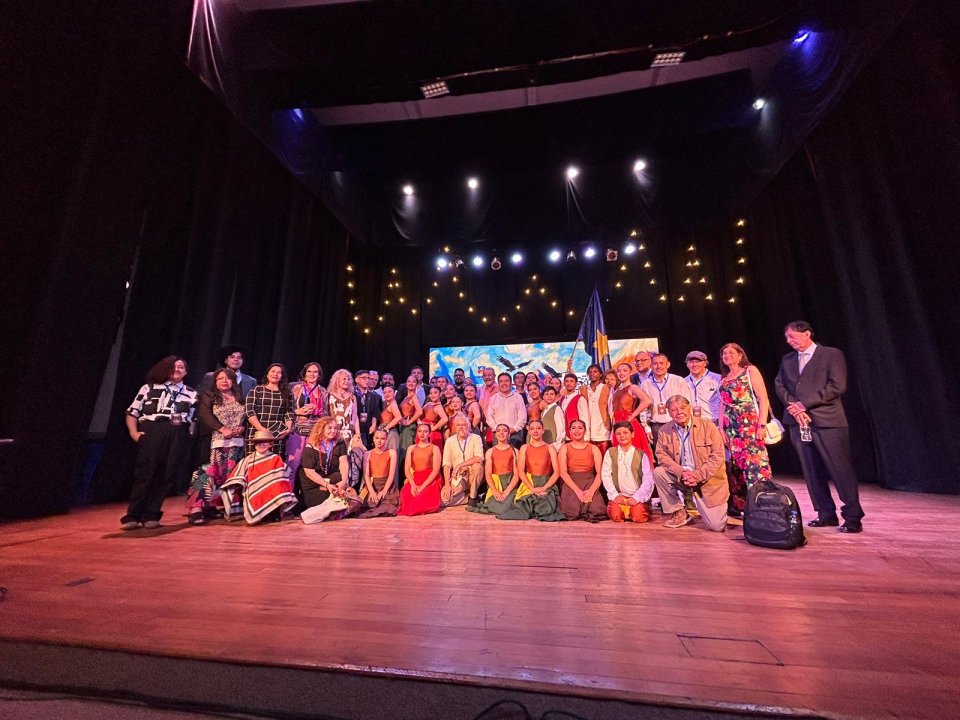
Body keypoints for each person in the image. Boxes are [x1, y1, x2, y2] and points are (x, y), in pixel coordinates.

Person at [774, 321, 864, 533]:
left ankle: (852, 516)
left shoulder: (831, 355)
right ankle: (825, 513)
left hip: (827, 421)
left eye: (792, 336)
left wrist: (804, 404)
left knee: (840, 469)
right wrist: (795, 408)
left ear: (807, 334)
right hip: (798, 422)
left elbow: (837, 386)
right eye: (787, 337)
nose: (789, 341)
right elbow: (779, 385)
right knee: (812, 471)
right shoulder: (787, 360)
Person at [121, 356, 198, 530]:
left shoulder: (191, 392)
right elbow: (132, 412)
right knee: (146, 472)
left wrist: (187, 438)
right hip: (153, 430)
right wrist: (134, 433)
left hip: (177, 433)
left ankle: (152, 514)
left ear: (186, 371)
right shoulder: (149, 388)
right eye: (174, 366)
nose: (177, 369)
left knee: (167, 474)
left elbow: (193, 419)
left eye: (181, 367)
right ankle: (133, 515)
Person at [653, 396, 729, 531]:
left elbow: (717, 456)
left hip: (706, 480)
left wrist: (697, 475)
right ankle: (680, 511)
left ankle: (702, 505)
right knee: (659, 472)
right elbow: (661, 455)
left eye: (682, 408)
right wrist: (681, 472)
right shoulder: (664, 430)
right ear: (669, 413)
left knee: (717, 526)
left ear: (690, 408)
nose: (679, 412)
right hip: (681, 476)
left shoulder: (709, 426)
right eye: (674, 410)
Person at [719, 343, 773, 517]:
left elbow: (763, 398)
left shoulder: (750, 370)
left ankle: (761, 504)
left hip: (749, 422)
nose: (727, 355)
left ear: (740, 355)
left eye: (731, 352)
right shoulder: (724, 377)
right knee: (737, 464)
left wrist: (761, 425)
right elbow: (722, 404)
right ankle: (742, 505)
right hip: (731, 426)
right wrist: (721, 428)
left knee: (754, 462)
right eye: (724, 353)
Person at [188, 368, 245, 524]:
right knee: (205, 472)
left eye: (228, 378)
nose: (224, 381)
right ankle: (196, 509)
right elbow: (204, 415)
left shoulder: (240, 397)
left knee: (228, 475)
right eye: (220, 378)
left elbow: (245, 417)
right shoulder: (208, 395)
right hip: (213, 441)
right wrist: (222, 429)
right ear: (215, 381)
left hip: (236, 444)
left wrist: (243, 427)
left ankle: (213, 506)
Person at [220, 430, 298, 525]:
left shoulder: (275, 457)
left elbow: (281, 475)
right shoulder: (248, 459)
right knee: (253, 490)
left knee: (277, 485)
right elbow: (237, 474)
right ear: (254, 444)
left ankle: (274, 512)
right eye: (258, 442)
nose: (262, 445)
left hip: (273, 488)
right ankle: (262, 514)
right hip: (253, 488)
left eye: (265, 442)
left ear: (270, 444)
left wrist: (270, 482)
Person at [499, 419, 565, 521]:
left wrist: (544, 488)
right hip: (529, 483)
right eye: (532, 429)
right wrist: (531, 488)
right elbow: (521, 471)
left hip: (546, 482)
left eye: (538, 428)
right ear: (529, 431)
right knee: (523, 507)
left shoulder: (550, 448)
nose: (535, 431)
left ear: (543, 430)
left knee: (546, 507)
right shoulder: (524, 448)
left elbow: (556, 472)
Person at [601, 421, 654, 523]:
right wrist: (615, 495)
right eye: (618, 433)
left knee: (638, 517)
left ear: (632, 434)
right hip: (620, 495)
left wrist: (637, 497)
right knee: (616, 516)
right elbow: (606, 475)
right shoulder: (610, 453)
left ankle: (638, 509)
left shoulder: (641, 454)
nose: (622, 436)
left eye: (625, 432)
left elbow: (648, 479)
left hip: (636, 496)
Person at [558, 419, 606, 521]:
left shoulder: (593, 448)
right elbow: (563, 473)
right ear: (570, 431)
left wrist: (591, 491)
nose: (577, 431)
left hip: (589, 481)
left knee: (596, 509)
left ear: (585, 430)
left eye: (580, 428)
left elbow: (600, 473)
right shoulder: (564, 448)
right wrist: (578, 491)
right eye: (573, 428)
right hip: (571, 482)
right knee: (571, 511)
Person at [286, 362, 328, 479]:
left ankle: (306, 491)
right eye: (309, 371)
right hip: (297, 431)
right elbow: (286, 408)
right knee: (292, 464)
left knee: (311, 465)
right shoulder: (296, 388)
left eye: (315, 372)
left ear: (319, 375)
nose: (312, 374)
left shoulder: (323, 391)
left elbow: (326, 413)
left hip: (314, 432)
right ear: (304, 374)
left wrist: (317, 410)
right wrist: (297, 411)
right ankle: (288, 489)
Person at [640, 354, 690, 450]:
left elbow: (687, 404)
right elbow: (644, 409)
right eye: (655, 364)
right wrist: (647, 428)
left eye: (661, 363)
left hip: (677, 423)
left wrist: (687, 424)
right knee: (660, 455)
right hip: (656, 426)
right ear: (651, 366)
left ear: (668, 364)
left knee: (681, 454)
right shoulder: (645, 384)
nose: (658, 366)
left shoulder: (678, 380)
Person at [470, 425, 521, 517]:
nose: (501, 433)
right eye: (499, 431)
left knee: (508, 506)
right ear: (495, 434)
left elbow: (516, 475)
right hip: (495, 483)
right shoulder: (490, 451)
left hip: (509, 484)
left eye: (504, 431)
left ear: (509, 434)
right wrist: (495, 490)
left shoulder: (515, 451)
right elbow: (488, 473)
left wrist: (507, 492)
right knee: (493, 505)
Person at [611, 363, 654, 467]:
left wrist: (632, 416)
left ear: (630, 372)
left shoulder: (632, 387)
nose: (621, 373)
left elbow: (646, 401)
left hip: (629, 425)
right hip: (618, 425)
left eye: (625, 370)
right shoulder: (616, 391)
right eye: (619, 371)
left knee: (634, 456)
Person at [244, 363, 293, 455]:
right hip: (257, 431)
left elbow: (289, 412)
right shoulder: (256, 390)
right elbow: (249, 411)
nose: (275, 374)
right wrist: (261, 429)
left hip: (277, 433)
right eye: (273, 371)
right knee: (255, 459)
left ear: (282, 376)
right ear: (267, 374)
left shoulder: (286, 393)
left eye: (279, 372)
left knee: (274, 460)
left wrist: (288, 429)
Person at [397, 422, 443, 516]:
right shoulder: (411, 448)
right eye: (420, 431)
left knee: (421, 499)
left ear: (429, 434)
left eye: (425, 431)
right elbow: (407, 469)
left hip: (430, 480)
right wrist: (413, 485)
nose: (422, 433)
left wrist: (422, 487)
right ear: (417, 433)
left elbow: (436, 470)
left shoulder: (434, 448)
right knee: (406, 495)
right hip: (416, 479)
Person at [441, 414, 485, 507]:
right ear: (454, 427)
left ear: (468, 426)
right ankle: (468, 497)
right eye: (458, 425)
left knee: (477, 466)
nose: (461, 427)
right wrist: (447, 484)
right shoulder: (449, 441)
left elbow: (479, 457)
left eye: (463, 425)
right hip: (459, 476)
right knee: (445, 499)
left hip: (473, 473)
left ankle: (473, 497)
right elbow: (446, 464)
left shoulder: (476, 438)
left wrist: (459, 465)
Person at [357, 428, 400, 518]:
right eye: (377, 438)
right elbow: (366, 475)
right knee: (365, 508)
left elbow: (391, 474)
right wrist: (372, 491)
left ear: (386, 439)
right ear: (373, 439)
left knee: (387, 507)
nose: (379, 441)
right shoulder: (368, 454)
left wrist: (384, 491)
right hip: (372, 485)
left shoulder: (391, 452)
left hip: (387, 486)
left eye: (382, 438)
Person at [485, 372, 527, 449]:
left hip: (515, 434)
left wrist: (514, 429)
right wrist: (497, 429)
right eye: (501, 381)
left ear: (511, 383)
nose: (504, 383)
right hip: (498, 434)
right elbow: (489, 417)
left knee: (515, 455)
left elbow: (522, 417)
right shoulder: (493, 398)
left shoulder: (518, 397)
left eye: (506, 381)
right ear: (498, 384)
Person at [580, 363, 611, 454]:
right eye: (590, 372)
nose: (592, 374)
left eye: (595, 371)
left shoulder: (606, 388)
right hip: (588, 428)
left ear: (600, 374)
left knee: (604, 455)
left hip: (603, 427)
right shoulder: (583, 390)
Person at [684, 351, 722, 424]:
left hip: (713, 421)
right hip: (692, 422)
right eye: (691, 362)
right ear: (687, 364)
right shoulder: (684, 382)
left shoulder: (717, 379)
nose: (694, 365)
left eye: (697, 361)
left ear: (705, 363)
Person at [327, 368, 361, 442]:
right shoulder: (329, 396)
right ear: (337, 380)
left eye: (348, 379)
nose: (347, 381)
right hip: (333, 433)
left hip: (349, 434)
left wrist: (358, 435)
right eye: (344, 379)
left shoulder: (352, 397)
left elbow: (355, 417)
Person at [397, 375, 423, 470]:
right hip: (403, 427)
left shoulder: (414, 397)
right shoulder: (406, 397)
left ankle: (406, 475)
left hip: (408, 428)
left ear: (416, 384)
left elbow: (419, 412)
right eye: (409, 381)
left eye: (413, 381)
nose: (411, 383)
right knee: (402, 451)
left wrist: (409, 422)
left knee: (406, 451)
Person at [354, 369, 384, 449]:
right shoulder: (351, 393)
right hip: (354, 429)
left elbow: (375, 412)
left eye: (368, 378)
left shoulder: (374, 396)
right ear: (356, 379)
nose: (367, 380)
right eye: (364, 378)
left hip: (367, 430)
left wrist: (374, 424)